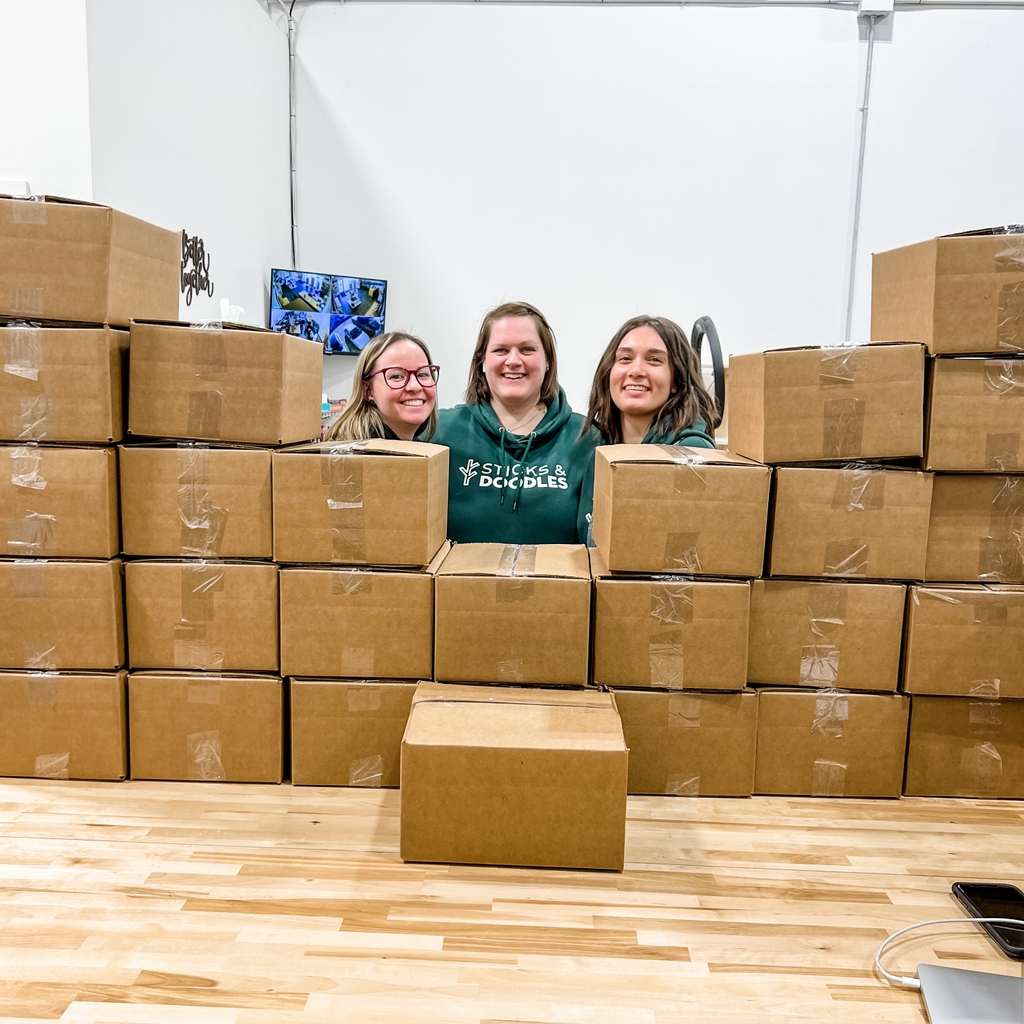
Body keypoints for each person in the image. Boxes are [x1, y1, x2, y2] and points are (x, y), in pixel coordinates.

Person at [432, 301, 597, 544]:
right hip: (457, 583)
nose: (513, 360)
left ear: (548, 360)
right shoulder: (439, 431)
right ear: (482, 361)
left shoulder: (588, 439)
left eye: (527, 349)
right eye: (500, 350)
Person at [577, 314, 719, 543]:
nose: (636, 370)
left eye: (654, 360)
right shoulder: (595, 449)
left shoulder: (692, 453)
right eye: (624, 358)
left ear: (676, 380)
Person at [324, 331, 439, 442]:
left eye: (423, 374)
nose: (415, 386)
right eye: (397, 376)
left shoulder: (417, 449)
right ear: (368, 391)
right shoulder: (355, 456)